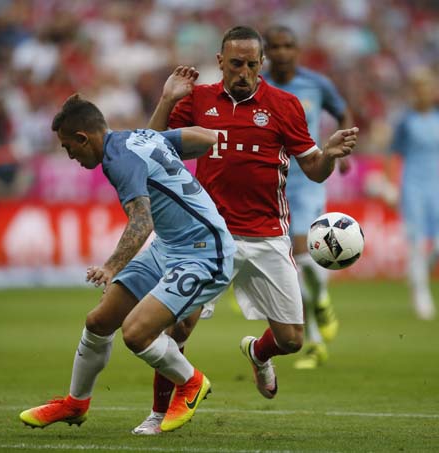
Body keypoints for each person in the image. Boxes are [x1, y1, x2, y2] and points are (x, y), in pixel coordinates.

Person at [132, 25, 359, 435]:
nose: (243, 71)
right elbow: (152, 144)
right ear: (220, 62)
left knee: (291, 339)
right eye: (235, 63)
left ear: (261, 64)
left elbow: (314, 169)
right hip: (209, 237)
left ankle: (257, 353)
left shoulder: (284, 104)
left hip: (268, 235)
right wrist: (167, 99)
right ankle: (158, 411)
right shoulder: (199, 100)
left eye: (251, 64)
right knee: (178, 326)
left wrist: (329, 154)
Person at [18, 94, 236, 433]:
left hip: (203, 252)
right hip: (169, 247)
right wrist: (212, 143)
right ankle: (76, 403)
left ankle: (191, 382)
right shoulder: (138, 137)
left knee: (136, 334)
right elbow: (204, 138)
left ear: (82, 138)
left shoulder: (119, 160)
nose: (69, 155)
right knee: (99, 321)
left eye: (67, 147)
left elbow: (141, 220)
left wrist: (111, 266)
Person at [263, 25, 354, 370]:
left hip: (309, 179)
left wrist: (341, 152)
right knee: (292, 265)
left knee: (303, 255)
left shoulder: (316, 84)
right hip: (273, 183)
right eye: (276, 46)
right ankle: (316, 335)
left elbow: (343, 111)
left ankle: (319, 309)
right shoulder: (259, 86)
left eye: (289, 45)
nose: (283, 52)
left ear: (297, 49)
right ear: (266, 52)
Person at [383, 68, 439, 320]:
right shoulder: (405, 121)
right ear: (413, 92)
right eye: (418, 88)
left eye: (426, 87)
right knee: (416, 243)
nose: (423, 93)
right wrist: (390, 184)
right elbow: (392, 152)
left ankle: (418, 274)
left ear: (433, 91)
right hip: (412, 186)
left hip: (437, 188)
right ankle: (421, 293)